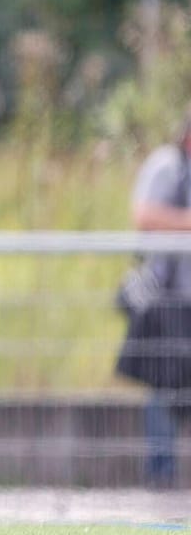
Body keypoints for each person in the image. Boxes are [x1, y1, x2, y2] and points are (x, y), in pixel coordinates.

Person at [128, 118, 191, 489]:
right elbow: (144, 216)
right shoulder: (168, 165)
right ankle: (161, 474)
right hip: (169, 300)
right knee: (164, 386)